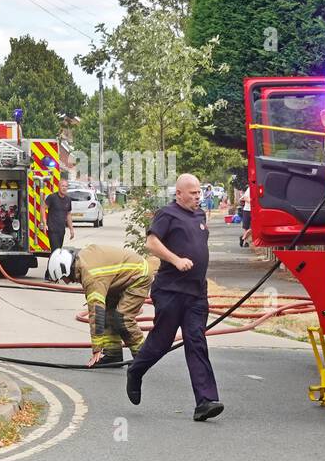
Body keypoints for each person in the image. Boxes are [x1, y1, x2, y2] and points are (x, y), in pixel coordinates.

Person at [125, 173, 223, 422]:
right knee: (161, 341)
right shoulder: (167, 214)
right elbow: (152, 243)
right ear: (178, 193)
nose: (197, 196)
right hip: (170, 291)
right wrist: (176, 260)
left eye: (199, 192)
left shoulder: (200, 215)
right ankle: (136, 371)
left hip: (196, 293)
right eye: (192, 192)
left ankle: (205, 401)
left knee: (196, 341)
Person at [47, 245, 152, 367]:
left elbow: (96, 312)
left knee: (122, 318)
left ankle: (142, 357)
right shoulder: (82, 260)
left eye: (64, 278)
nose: (67, 282)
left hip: (139, 276)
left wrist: (96, 348)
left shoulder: (91, 276)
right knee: (108, 312)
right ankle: (113, 354)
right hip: (120, 279)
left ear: (67, 269)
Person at [43, 182, 76, 280]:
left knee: (57, 252)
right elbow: (43, 208)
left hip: (61, 229)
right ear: (59, 187)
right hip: (52, 228)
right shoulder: (52, 198)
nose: (64, 188)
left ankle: (48, 273)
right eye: (62, 186)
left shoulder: (68, 199)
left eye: (66, 186)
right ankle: (50, 275)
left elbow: (68, 214)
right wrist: (45, 224)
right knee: (55, 251)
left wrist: (71, 229)